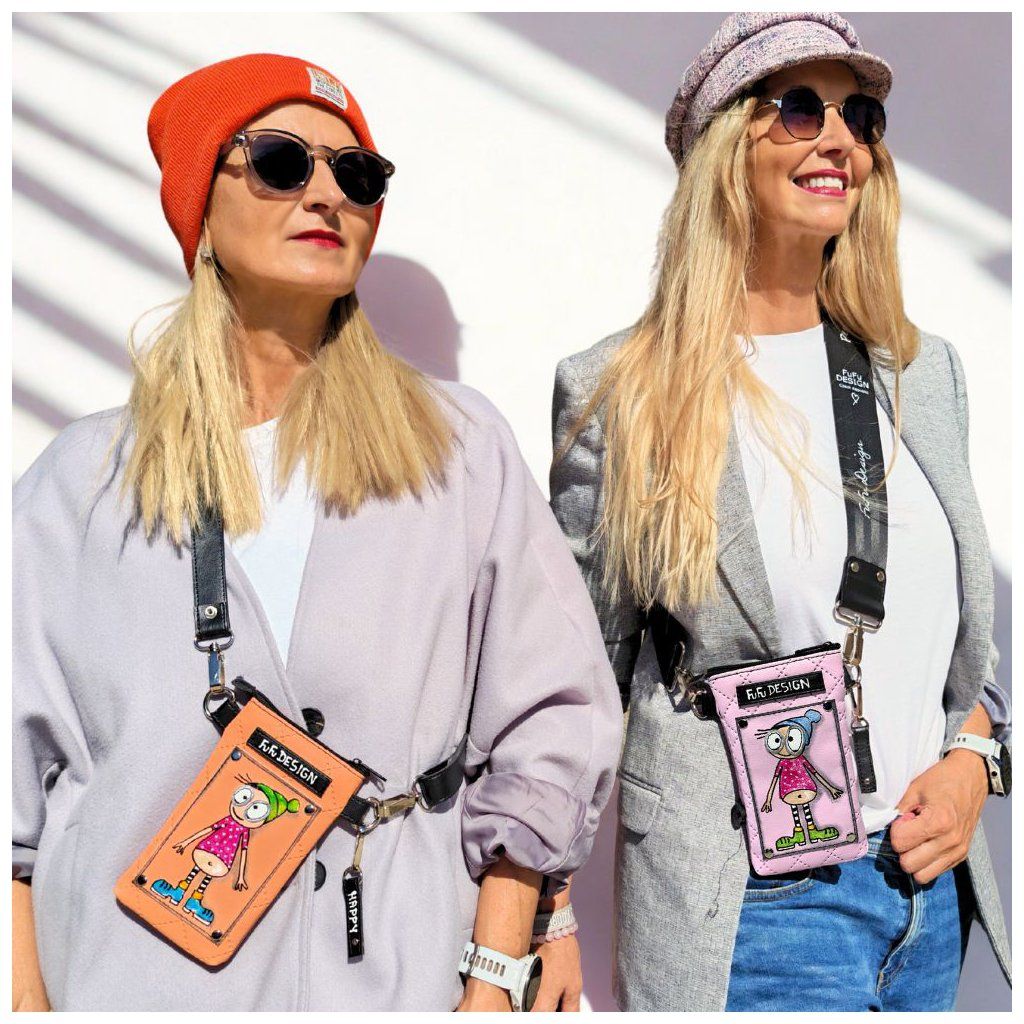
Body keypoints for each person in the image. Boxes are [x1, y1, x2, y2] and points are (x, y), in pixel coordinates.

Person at [13, 53, 622, 1012]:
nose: (328, 194)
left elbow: (553, 719)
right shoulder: (82, 483)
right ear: (200, 202)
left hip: (396, 983)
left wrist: (494, 977)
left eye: (358, 175)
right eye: (282, 162)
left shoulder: (457, 452)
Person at [549, 12, 1011, 1012]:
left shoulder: (923, 375)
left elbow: (953, 643)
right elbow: (568, 681)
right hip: (751, 900)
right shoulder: (622, 393)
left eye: (860, 117)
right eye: (800, 108)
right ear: (725, 145)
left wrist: (974, 758)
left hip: (927, 901)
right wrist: (539, 909)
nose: (839, 139)